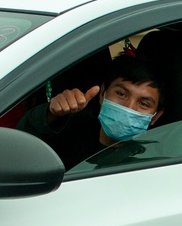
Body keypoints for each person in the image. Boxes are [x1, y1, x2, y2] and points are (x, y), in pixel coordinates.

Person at [17, 50, 164, 170]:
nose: (128, 107)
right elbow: (20, 146)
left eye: (143, 104)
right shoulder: (71, 132)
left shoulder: (155, 164)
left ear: (155, 117)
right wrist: (50, 114)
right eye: (121, 94)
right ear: (102, 94)